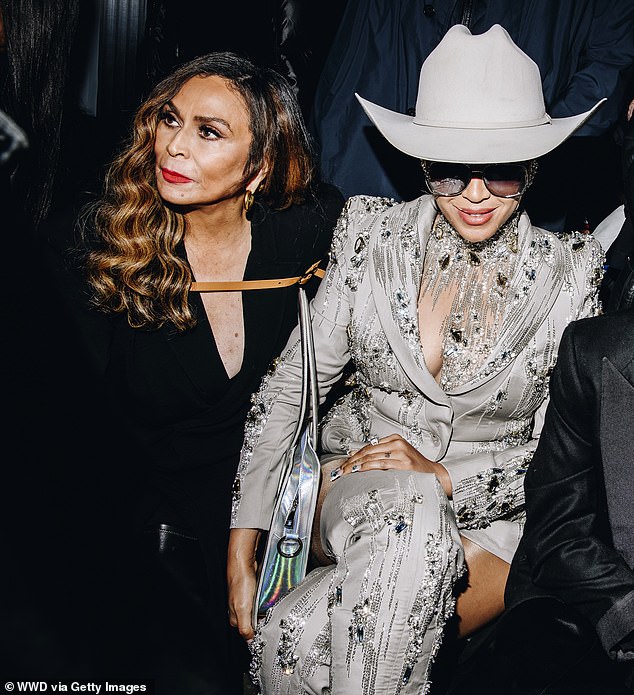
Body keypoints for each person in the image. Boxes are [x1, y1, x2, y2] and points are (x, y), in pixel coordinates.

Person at [227, 24, 605, 695]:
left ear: (536, 164)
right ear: (421, 160)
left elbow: (569, 459)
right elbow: (290, 387)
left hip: (489, 529)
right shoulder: (370, 233)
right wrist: (244, 536)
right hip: (355, 491)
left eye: (503, 168)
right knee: (408, 511)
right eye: (450, 167)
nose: (476, 192)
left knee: (298, 642)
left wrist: (449, 479)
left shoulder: (571, 274)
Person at [68, 52, 343, 692]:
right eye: (170, 119)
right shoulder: (108, 251)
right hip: (154, 526)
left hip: (277, 512)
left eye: (208, 131)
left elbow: (405, 246)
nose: (175, 145)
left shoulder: (303, 237)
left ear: (259, 168)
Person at [309, 0, 634, 232]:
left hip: (528, 159)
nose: (474, 192)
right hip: (383, 140)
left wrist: (536, 138)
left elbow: (611, 56)